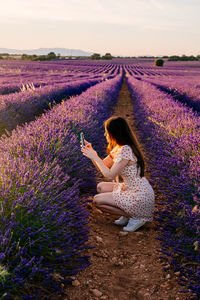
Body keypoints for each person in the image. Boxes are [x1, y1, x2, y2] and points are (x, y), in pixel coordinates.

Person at [81, 116, 155, 232]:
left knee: (97, 201)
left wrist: (94, 156)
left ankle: (137, 216)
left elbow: (109, 175)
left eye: (107, 132)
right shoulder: (119, 148)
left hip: (140, 197)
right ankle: (129, 213)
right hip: (129, 188)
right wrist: (93, 154)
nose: (105, 135)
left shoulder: (125, 150)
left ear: (114, 134)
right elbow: (103, 166)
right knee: (100, 187)